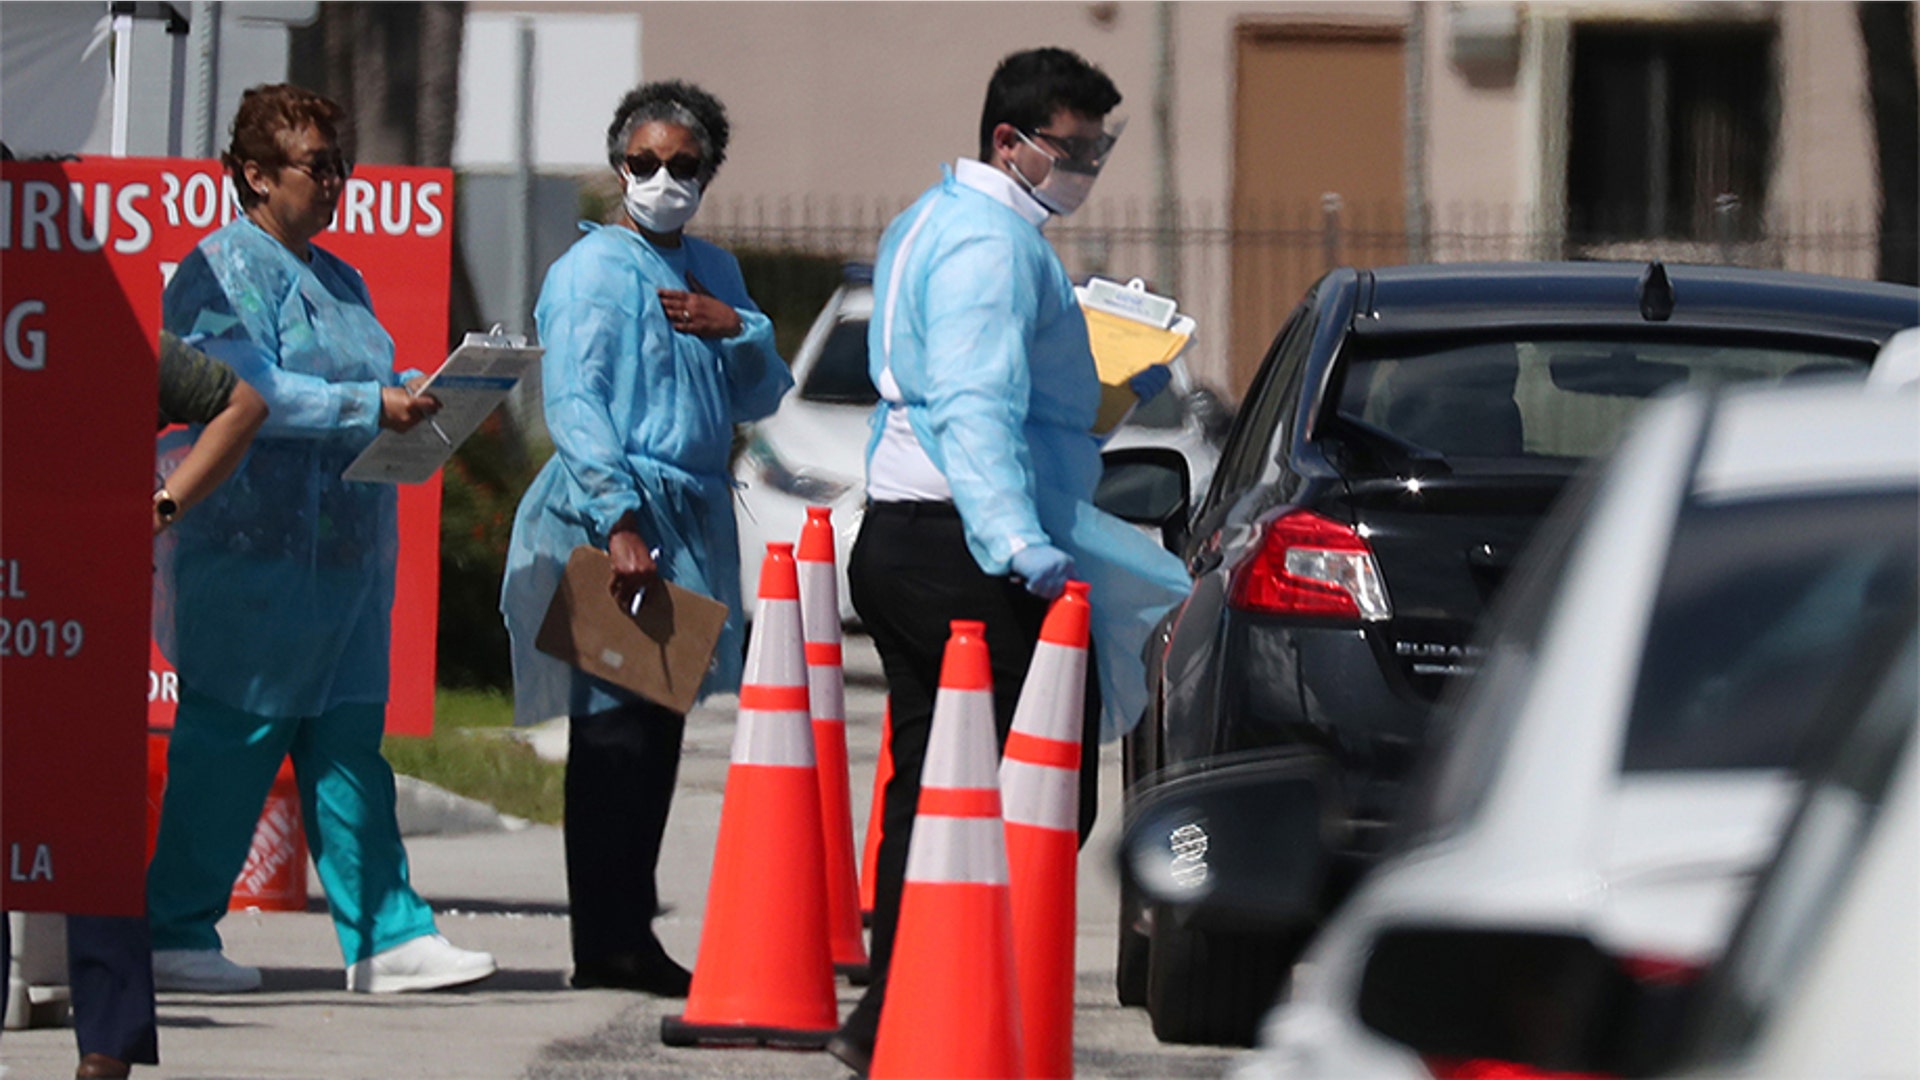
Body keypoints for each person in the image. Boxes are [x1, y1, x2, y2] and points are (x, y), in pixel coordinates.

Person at [829, 47, 1190, 1074]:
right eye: (1074, 148)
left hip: (909, 534)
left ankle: (900, 1009)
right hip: (964, 546)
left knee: (935, 788)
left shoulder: (935, 222)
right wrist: (1019, 547)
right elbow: (975, 408)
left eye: (1097, 149)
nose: (1086, 168)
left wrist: (1105, 388)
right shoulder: (992, 246)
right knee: (1038, 788)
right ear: (1010, 138)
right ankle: (955, 1000)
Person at [148, 83, 495, 996]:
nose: (336, 182)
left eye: (343, 165)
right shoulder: (218, 270)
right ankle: (172, 929)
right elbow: (245, 392)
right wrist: (364, 404)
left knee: (348, 749)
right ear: (255, 175)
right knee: (229, 746)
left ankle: (388, 933)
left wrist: (428, 391)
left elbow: (367, 373)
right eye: (316, 166)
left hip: (341, 562)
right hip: (247, 555)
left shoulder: (339, 277)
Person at [500, 80, 792, 996]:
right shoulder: (592, 273)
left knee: (657, 729)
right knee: (613, 733)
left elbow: (762, 392)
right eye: (645, 162)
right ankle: (609, 938)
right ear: (618, 164)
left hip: (691, 517)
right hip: (615, 515)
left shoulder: (714, 271)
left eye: (683, 164)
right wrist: (619, 520)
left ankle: (629, 929)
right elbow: (578, 403)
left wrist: (734, 326)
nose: (663, 179)